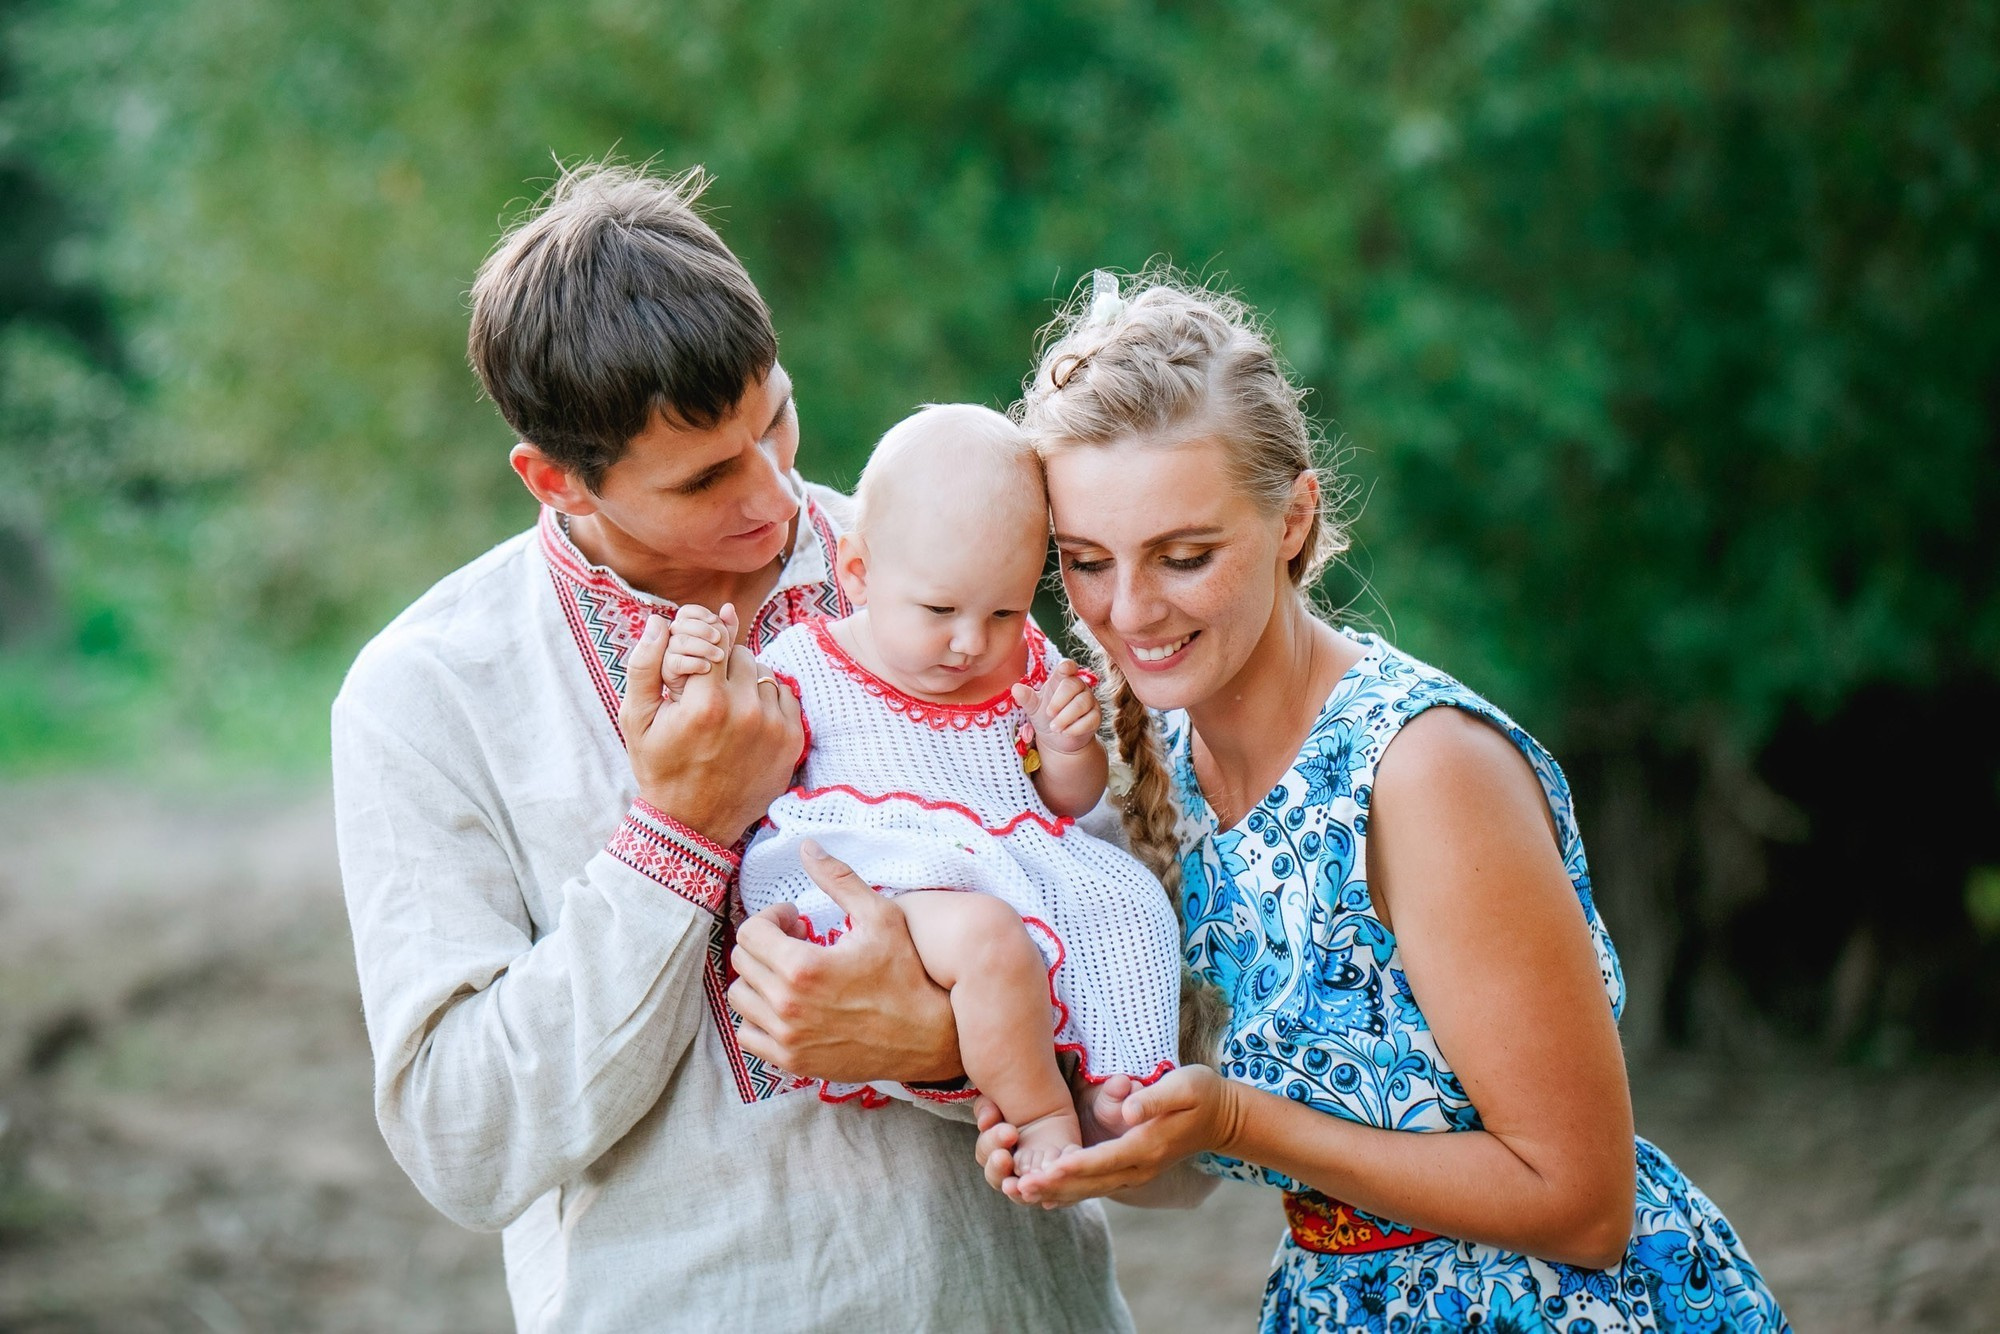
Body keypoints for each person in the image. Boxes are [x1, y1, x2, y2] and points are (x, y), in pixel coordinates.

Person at [330, 164, 1132, 1331]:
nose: (776, 495)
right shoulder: (430, 693)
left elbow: (1159, 1028)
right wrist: (675, 837)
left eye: (778, 419)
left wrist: (947, 1040)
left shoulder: (954, 587)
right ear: (554, 480)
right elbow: (468, 1140)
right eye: (706, 475)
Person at [976, 273, 1791, 1332]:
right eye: (1085, 562)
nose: (1128, 609)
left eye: (1184, 555)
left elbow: (1582, 1202)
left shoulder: (1419, 770)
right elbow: (1191, 1154)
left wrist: (1237, 1116)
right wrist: (1080, 1133)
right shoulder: (1151, 772)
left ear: (1292, 515)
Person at [663, 403, 1181, 1169]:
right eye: (940, 610)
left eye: (1005, 611)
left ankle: (1124, 1077)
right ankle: (1041, 1118)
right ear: (859, 572)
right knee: (987, 942)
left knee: (1129, 903)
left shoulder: (1021, 670)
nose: (972, 643)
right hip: (878, 881)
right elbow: (731, 736)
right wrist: (699, 661)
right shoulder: (810, 660)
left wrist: (1064, 743)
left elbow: (1067, 800)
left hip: (1002, 865)